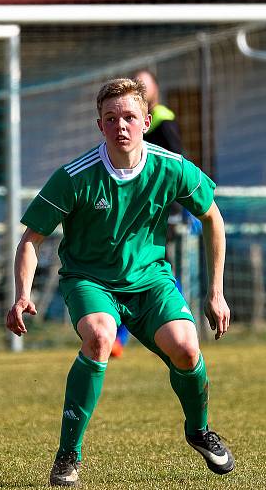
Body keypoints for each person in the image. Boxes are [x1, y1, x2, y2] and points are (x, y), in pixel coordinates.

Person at [5, 78, 233, 486]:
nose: (121, 126)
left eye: (129, 117)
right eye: (111, 119)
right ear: (100, 127)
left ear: (146, 121)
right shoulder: (75, 176)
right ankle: (68, 456)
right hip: (90, 280)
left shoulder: (171, 166)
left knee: (185, 348)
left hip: (150, 281)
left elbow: (213, 217)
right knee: (99, 335)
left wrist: (216, 292)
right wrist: (22, 294)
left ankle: (199, 430)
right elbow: (30, 240)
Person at [111, 69, 185, 358]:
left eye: (145, 85)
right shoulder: (126, 125)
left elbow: (177, 165)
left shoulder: (163, 121)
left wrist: (181, 206)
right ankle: (123, 333)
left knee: (152, 266)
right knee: (139, 265)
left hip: (160, 211)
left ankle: (174, 322)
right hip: (137, 209)